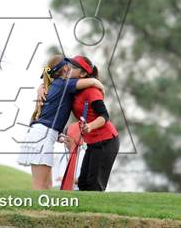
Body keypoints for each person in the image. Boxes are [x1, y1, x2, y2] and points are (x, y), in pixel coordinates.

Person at [17, 55, 105, 190]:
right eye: (70, 66)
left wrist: (58, 136)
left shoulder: (55, 85)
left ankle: (45, 211)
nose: (71, 68)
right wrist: (101, 87)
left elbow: (48, 119)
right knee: (40, 186)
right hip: (42, 136)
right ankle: (35, 211)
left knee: (47, 185)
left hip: (43, 135)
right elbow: (92, 82)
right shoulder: (64, 84)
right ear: (65, 69)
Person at [39, 55, 119, 191]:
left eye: (74, 67)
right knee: (83, 183)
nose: (69, 68)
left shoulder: (91, 91)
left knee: (94, 185)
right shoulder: (72, 89)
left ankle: (95, 213)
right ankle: (81, 212)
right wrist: (41, 88)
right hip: (93, 142)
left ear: (82, 74)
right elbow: (52, 82)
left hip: (106, 141)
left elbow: (104, 116)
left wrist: (90, 126)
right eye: (69, 65)